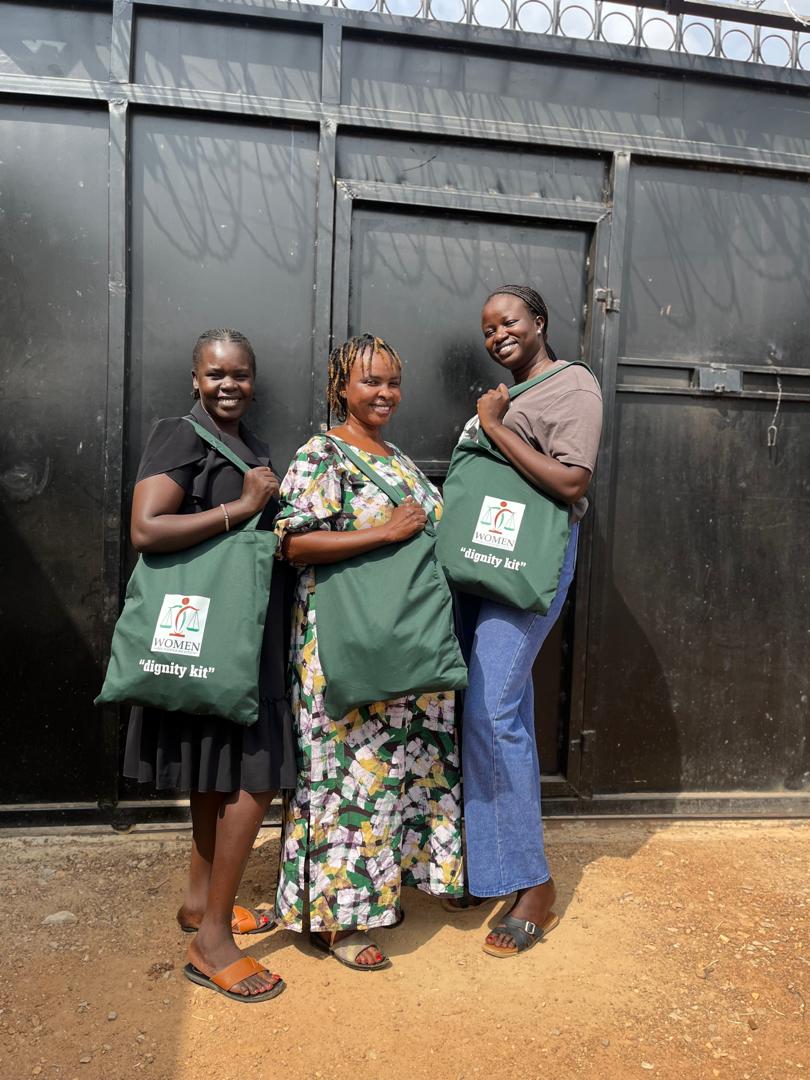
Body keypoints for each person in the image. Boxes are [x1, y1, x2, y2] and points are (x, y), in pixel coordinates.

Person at [273, 333, 464, 970]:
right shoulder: (322, 453)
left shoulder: (397, 456)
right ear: (341, 388)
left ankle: (379, 892)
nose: (384, 394)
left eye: (391, 383)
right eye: (369, 382)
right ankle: (334, 921)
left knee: (393, 777)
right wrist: (386, 530)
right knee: (342, 781)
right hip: (346, 643)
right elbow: (294, 544)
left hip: (403, 646)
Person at [123, 328, 295, 1002]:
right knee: (258, 773)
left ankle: (200, 902)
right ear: (195, 377)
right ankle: (212, 943)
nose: (230, 385)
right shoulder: (180, 434)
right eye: (216, 374)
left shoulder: (250, 444)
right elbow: (146, 528)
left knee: (212, 769)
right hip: (214, 630)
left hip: (242, 630)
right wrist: (243, 508)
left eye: (241, 374)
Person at [453, 285, 603, 958]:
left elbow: (572, 482)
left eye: (508, 321)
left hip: (529, 560)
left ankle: (532, 883)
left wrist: (492, 427)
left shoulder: (572, 387)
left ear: (539, 322)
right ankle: (494, 867)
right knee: (492, 706)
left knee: (491, 710)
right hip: (484, 554)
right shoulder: (506, 395)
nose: (497, 335)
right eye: (487, 329)